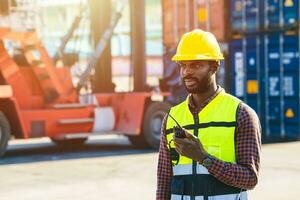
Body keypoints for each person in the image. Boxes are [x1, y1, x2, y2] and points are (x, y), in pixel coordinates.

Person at [156, 29, 261, 200]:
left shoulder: (241, 114)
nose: (186, 72)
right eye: (183, 65)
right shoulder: (171, 118)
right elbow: (164, 182)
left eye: (195, 65)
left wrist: (203, 158)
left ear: (214, 67)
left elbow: (250, 178)